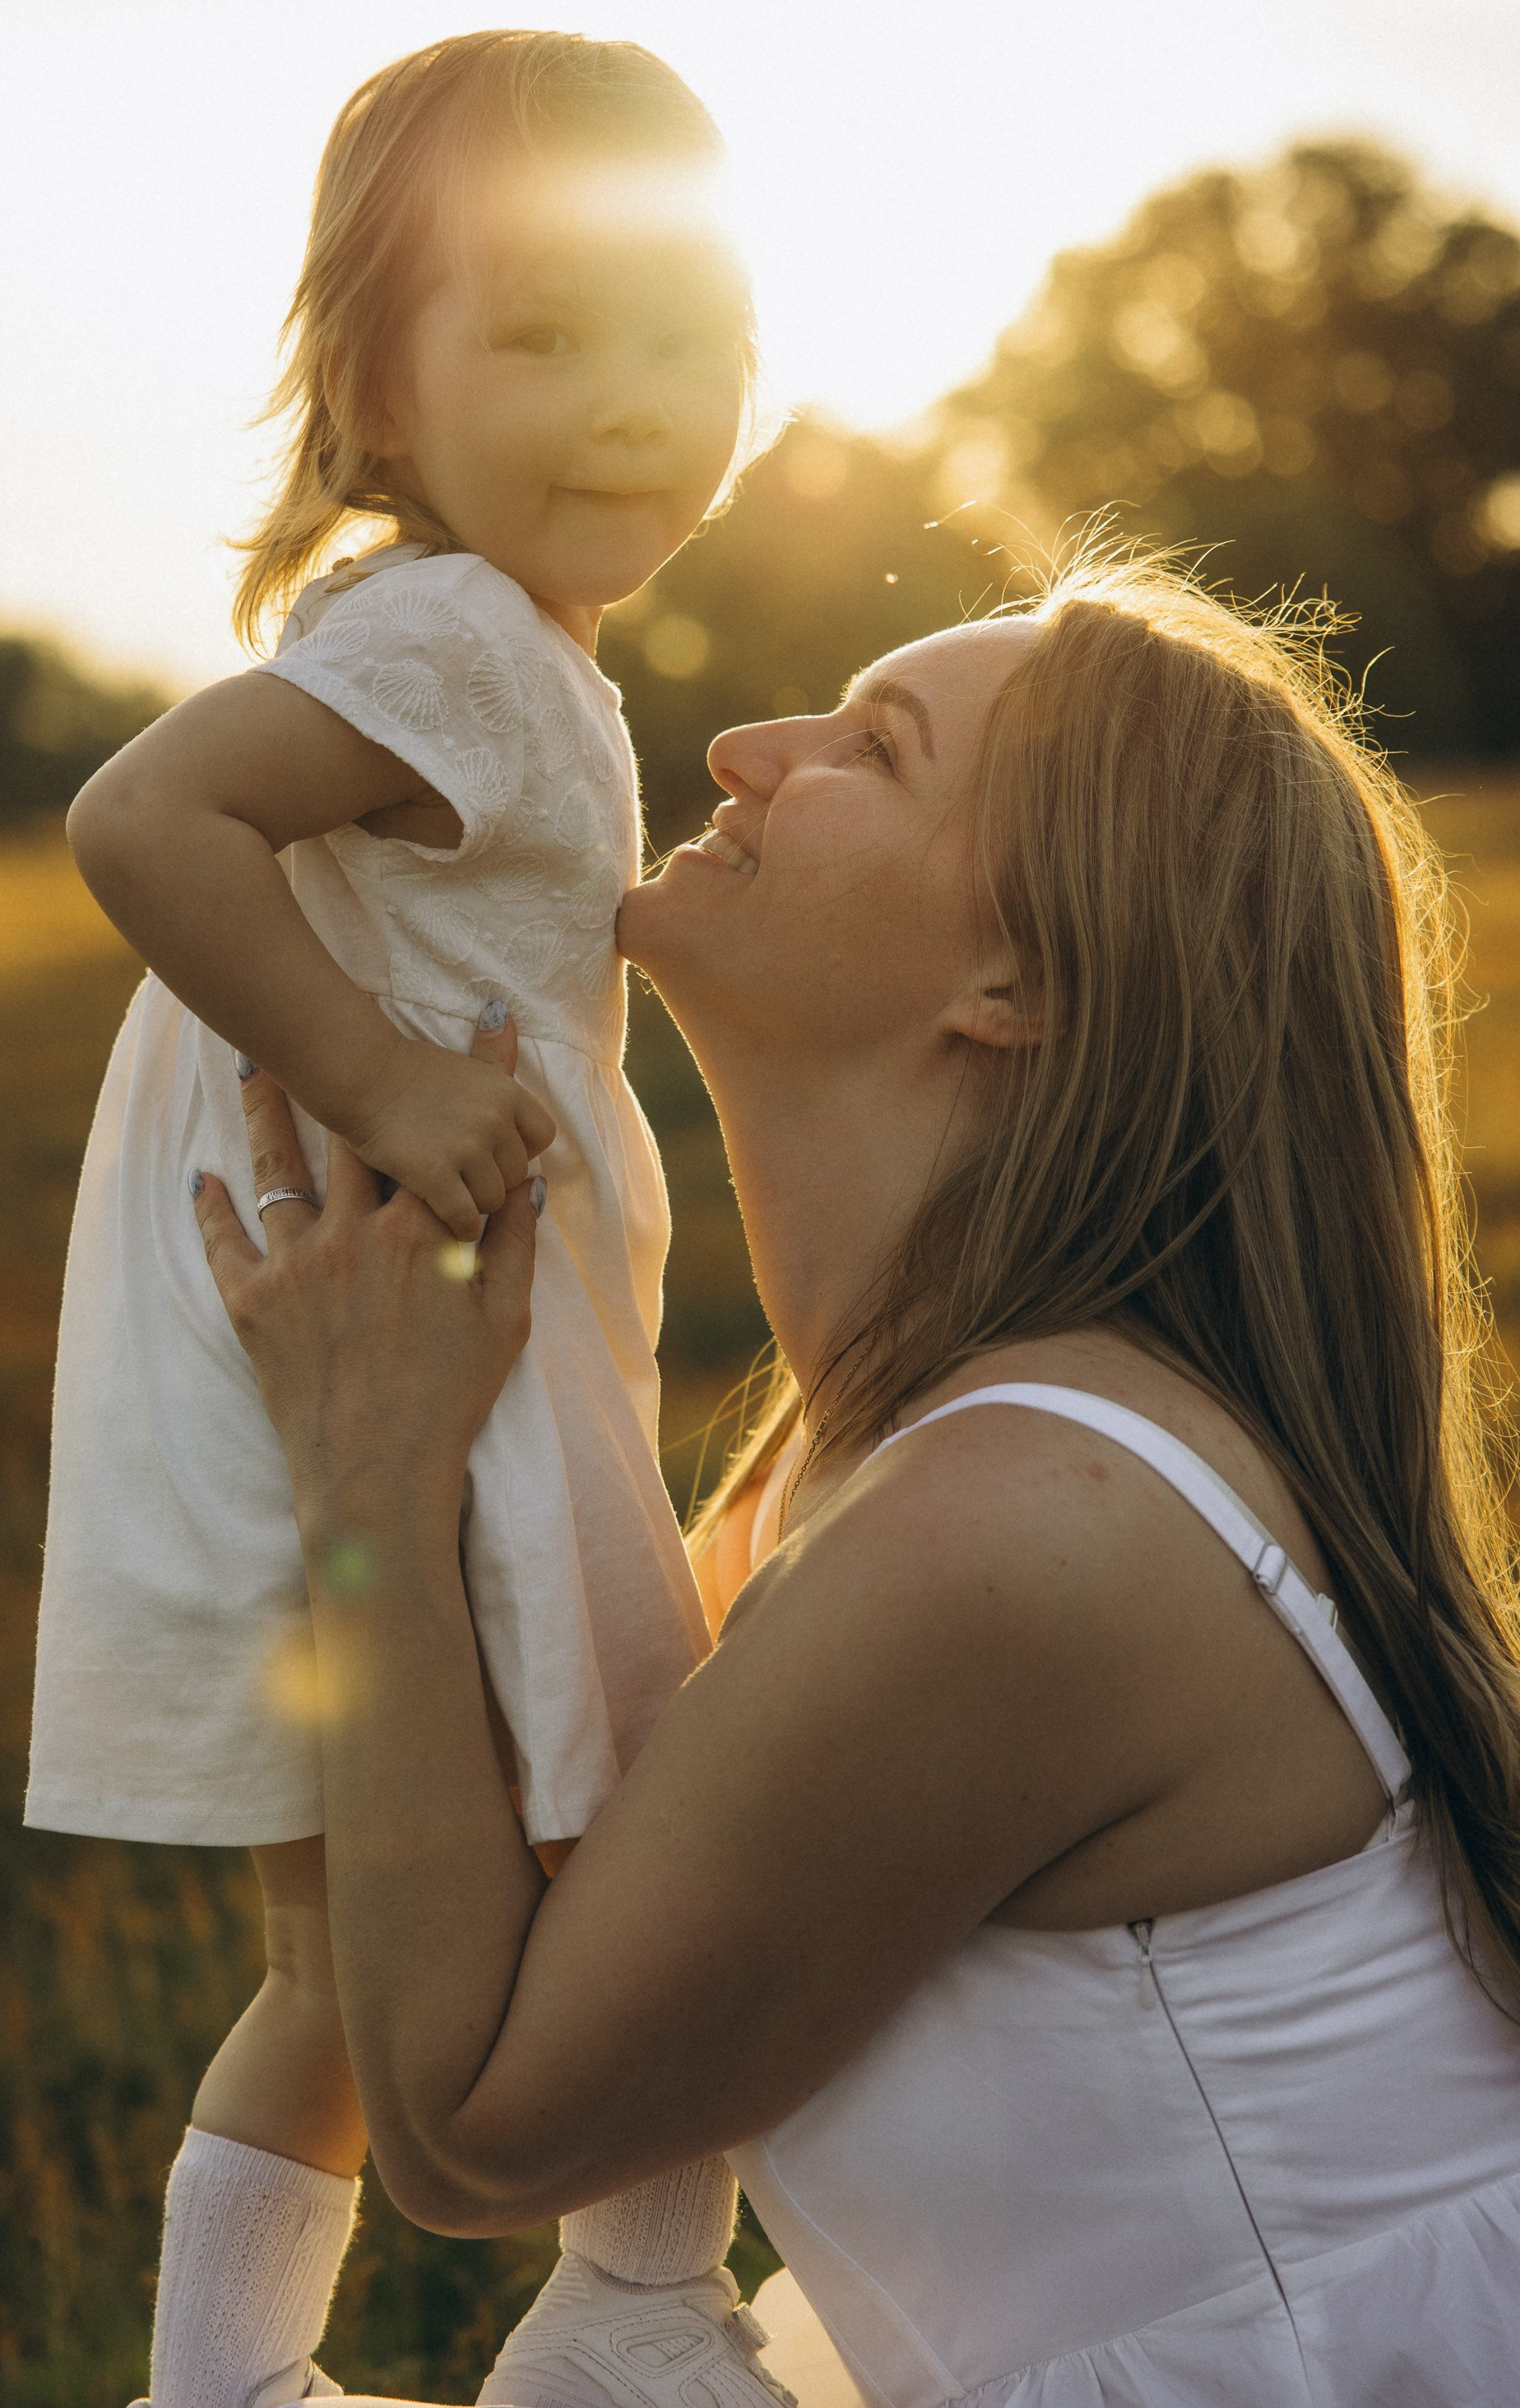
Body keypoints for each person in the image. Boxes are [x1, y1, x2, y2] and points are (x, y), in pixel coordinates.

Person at [189, 560, 1520, 2406]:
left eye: (873, 747)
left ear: (1021, 978)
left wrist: (365, 1482)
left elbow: (482, 2128)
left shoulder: (1019, 1523)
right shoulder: (859, 1466)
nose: (740, 745)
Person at [25, 30, 790, 2408]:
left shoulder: (491, 644)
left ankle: (219, 2382)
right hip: (416, 1346)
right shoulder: (455, 635)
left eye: (680, 334)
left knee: (347, 1967)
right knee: (676, 1835)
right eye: (537, 333)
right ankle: (640, 2306)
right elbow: (143, 816)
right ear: (376, 380)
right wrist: (366, 1066)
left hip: (333, 1346)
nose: (626, 398)